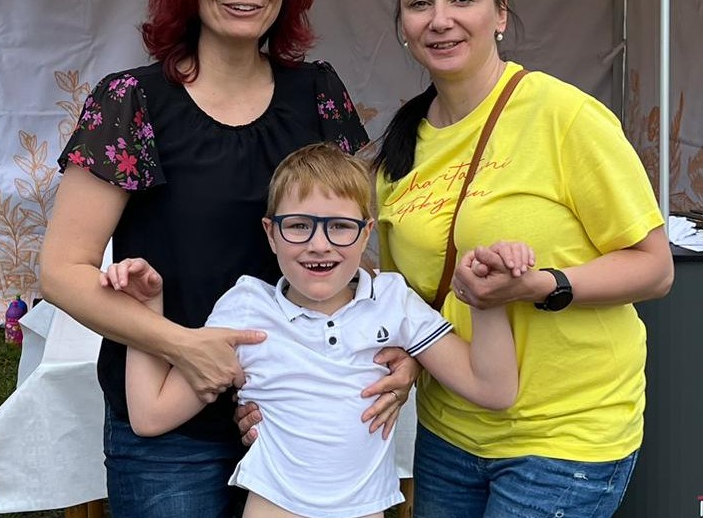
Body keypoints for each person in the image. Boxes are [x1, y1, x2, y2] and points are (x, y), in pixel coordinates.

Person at [37, 0, 406, 517]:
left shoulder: (318, 95)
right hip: (168, 420)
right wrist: (183, 346)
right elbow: (61, 270)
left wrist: (402, 354)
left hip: (296, 414)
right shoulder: (131, 102)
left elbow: (347, 249)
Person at [374, 0, 673, 517]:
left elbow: (655, 268)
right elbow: (406, 299)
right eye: (419, 4)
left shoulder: (564, 115)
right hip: (449, 431)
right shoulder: (399, 151)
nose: (440, 20)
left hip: (566, 436)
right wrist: (407, 358)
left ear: (500, 14)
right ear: (402, 27)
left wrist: (543, 285)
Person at [113, 143, 519, 518]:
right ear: (271, 233)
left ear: (366, 232)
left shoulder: (393, 301)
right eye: (298, 225)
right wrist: (146, 307)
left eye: (339, 226)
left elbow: (493, 390)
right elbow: (151, 415)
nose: (319, 244)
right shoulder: (247, 308)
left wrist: (488, 298)